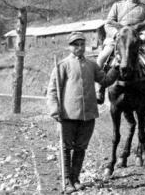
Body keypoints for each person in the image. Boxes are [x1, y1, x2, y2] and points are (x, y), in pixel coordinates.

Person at [47, 32, 119, 194]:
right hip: (67, 115)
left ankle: (75, 178)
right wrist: (54, 110)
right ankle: (66, 180)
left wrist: (116, 68)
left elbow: (105, 80)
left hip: (88, 115)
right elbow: (52, 90)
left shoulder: (92, 65)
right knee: (66, 148)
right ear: (70, 46)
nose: (79, 48)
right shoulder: (62, 65)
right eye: (75, 44)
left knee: (81, 148)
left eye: (81, 44)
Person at [96, 0, 145, 103]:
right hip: (119, 40)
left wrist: (142, 37)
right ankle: (99, 90)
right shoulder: (117, 6)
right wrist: (115, 35)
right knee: (101, 58)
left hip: (139, 42)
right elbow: (108, 24)